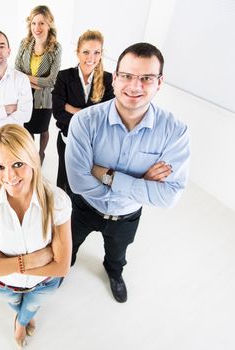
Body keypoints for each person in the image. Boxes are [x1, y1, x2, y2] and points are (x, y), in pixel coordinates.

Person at [65, 43, 190, 303]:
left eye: (146, 78)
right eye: (127, 76)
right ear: (114, 78)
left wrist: (107, 175)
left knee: (117, 255)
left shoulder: (174, 131)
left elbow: (169, 196)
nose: (135, 87)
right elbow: (78, 182)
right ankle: (66, 264)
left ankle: (113, 273)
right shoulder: (84, 122)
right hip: (85, 207)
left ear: (159, 82)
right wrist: (141, 183)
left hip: (127, 215)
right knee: (70, 244)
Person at [0, 124, 72, 349]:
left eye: (18, 164)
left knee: (31, 305)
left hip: (43, 285)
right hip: (3, 286)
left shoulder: (57, 201)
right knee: (15, 303)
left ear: (33, 160)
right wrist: (31, 261)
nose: (9, 176)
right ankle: (22, 316)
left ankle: (21, 322)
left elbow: (61, 268)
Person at [52, 30, 114, 194]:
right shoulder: (64, 76)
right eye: (86, 52)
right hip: (67, 139)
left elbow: (106, 117)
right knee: (64, 181)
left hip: (94, 145)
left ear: (101, 54)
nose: (91, 57)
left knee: (86, 183)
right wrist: (90, 114)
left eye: (96, 52)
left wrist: (72, 109)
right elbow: (58, 112)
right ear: (78, 52)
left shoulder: (108, 80)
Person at [15, 5, 61, 163]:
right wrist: (34, 82)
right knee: (28, 128)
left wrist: (26, 78)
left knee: (43, 129)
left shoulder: (55, 48)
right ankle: (31, 153)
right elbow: (16, 71)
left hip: (45, 99)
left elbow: (52, 80)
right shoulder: (24, 44)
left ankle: (41, 153)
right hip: (25, 96)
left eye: (41, 23)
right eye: (34, 23)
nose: (37, 27)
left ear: (49, 24)